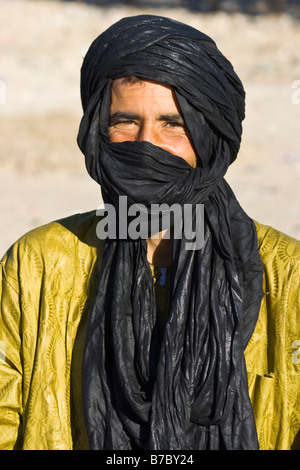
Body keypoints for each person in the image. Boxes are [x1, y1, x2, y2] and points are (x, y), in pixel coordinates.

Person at [0, 15, 299, 451]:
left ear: (210, 137)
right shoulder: (38, 266)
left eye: (172, 124)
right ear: (98, 133)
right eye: (125, 122)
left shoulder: (287, 277)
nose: (148, 144)